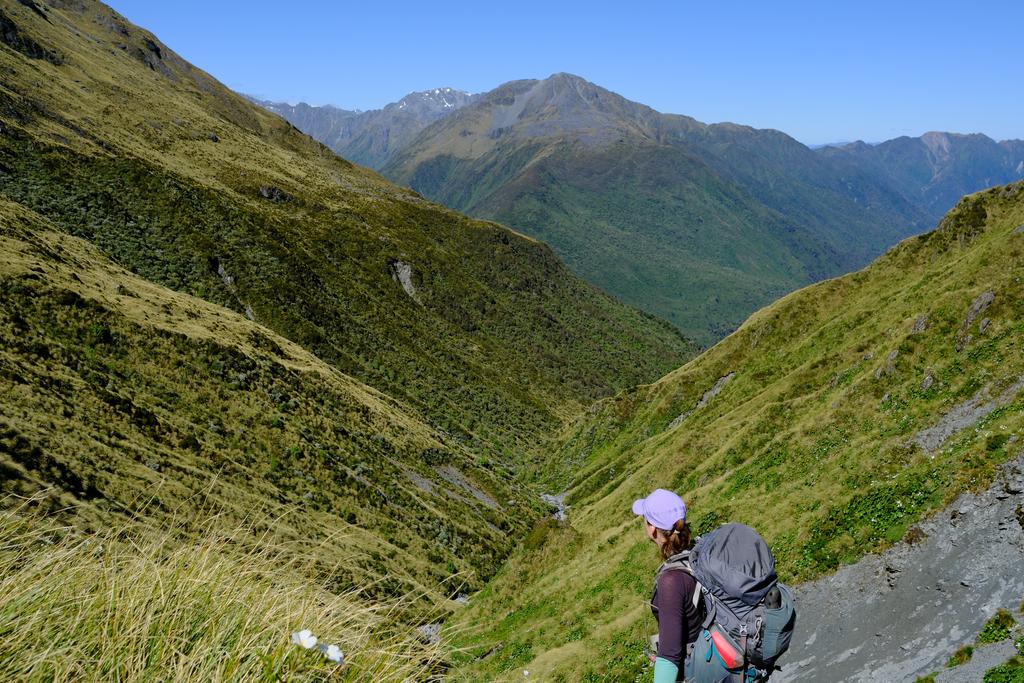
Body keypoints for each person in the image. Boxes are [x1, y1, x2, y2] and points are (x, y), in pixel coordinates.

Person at [633, 488, 700, 683]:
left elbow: (670, 655)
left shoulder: (671, 581)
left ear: (652, 528)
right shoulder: (697, 552)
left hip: (696, 670)